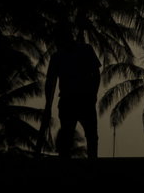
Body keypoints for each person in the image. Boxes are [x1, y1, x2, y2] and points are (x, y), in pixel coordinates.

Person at [42, 27, 101, 159]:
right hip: (71, 101)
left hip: (83, 100)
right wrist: (48, 106)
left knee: (89, 136)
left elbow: (96, 74)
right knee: (68, 138)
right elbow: (50, 83)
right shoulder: (57, 57)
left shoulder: (85, 50)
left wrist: (93, 94)